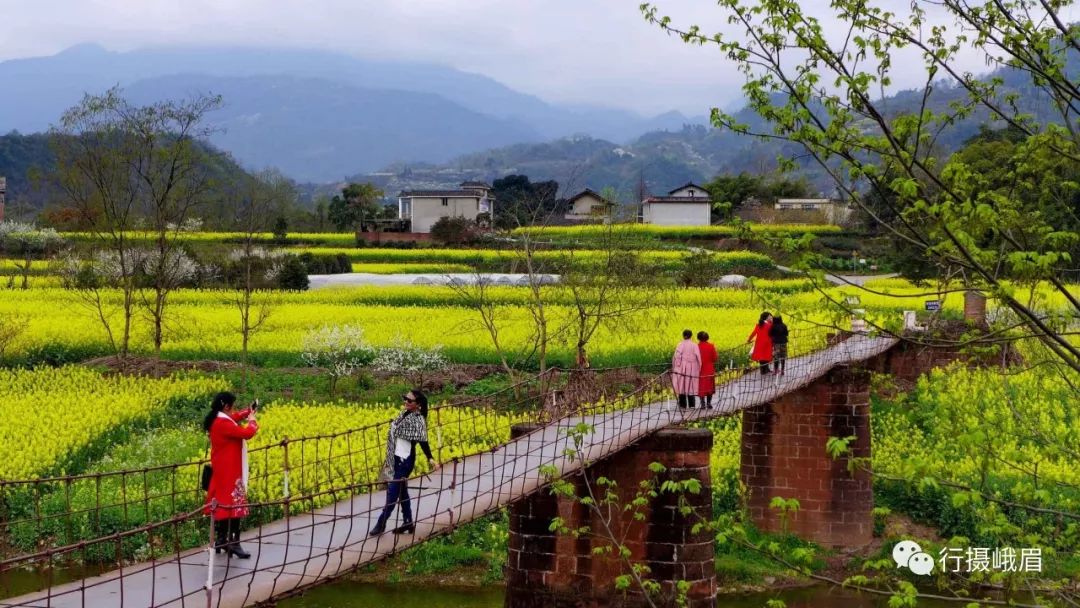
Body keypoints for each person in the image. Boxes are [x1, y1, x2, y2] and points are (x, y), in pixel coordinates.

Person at [370, 389, 439, 536]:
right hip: (393, 458)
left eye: (409, 400)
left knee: (393, 493)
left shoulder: (418, 419)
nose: (406, 402)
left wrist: (430, 458)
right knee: (402, 492)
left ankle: (381, 523)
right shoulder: (403, 414)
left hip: (405, 461)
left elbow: (423, 441)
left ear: (418, 404)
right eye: (405, 399)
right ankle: (408, 522)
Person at [203, 391, 258, 559]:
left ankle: (221, 540)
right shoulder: (223, 423)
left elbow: (233, 417)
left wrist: (248, 411)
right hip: (230, 471)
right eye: (232, 406)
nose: (233, 409)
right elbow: (247, 433)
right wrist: (253, 421)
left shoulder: (216, 419)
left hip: (222, 469)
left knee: (222, 502)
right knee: (235, 503)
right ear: (225, 406)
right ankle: (234, 543)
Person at [672, 329, 701, 408]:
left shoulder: (680, 344)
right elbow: (698, 357)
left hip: (682, 367)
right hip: (692, 367)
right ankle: (692, 405)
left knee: (682, 385)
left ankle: (682, 405)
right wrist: (698, 368)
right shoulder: (695, 345)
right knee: (691, 385)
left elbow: (677, 356)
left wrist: (677, 365)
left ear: (683, 335)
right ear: (691, 336)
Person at [697, 331, 717, 408]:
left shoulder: (697, 346)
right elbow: (715, 358)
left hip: (700, 369)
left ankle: (702, 403)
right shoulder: (711, 346)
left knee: (701, 386)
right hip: (709, 368)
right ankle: (709, 403)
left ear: (698, 338)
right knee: (710, 386)